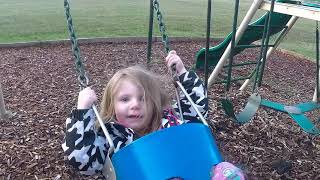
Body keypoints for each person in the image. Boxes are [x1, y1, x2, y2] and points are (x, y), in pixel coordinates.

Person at [62, 50, 209, 177]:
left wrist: (182, 73)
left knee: (220, 169)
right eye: (125, 99)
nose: (135, 105)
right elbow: (82, 161)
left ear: (155, 103)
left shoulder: (170, 121)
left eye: (143, 98)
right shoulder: (110, 140)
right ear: (112, 106)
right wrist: (82, 111)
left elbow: (197, 108)